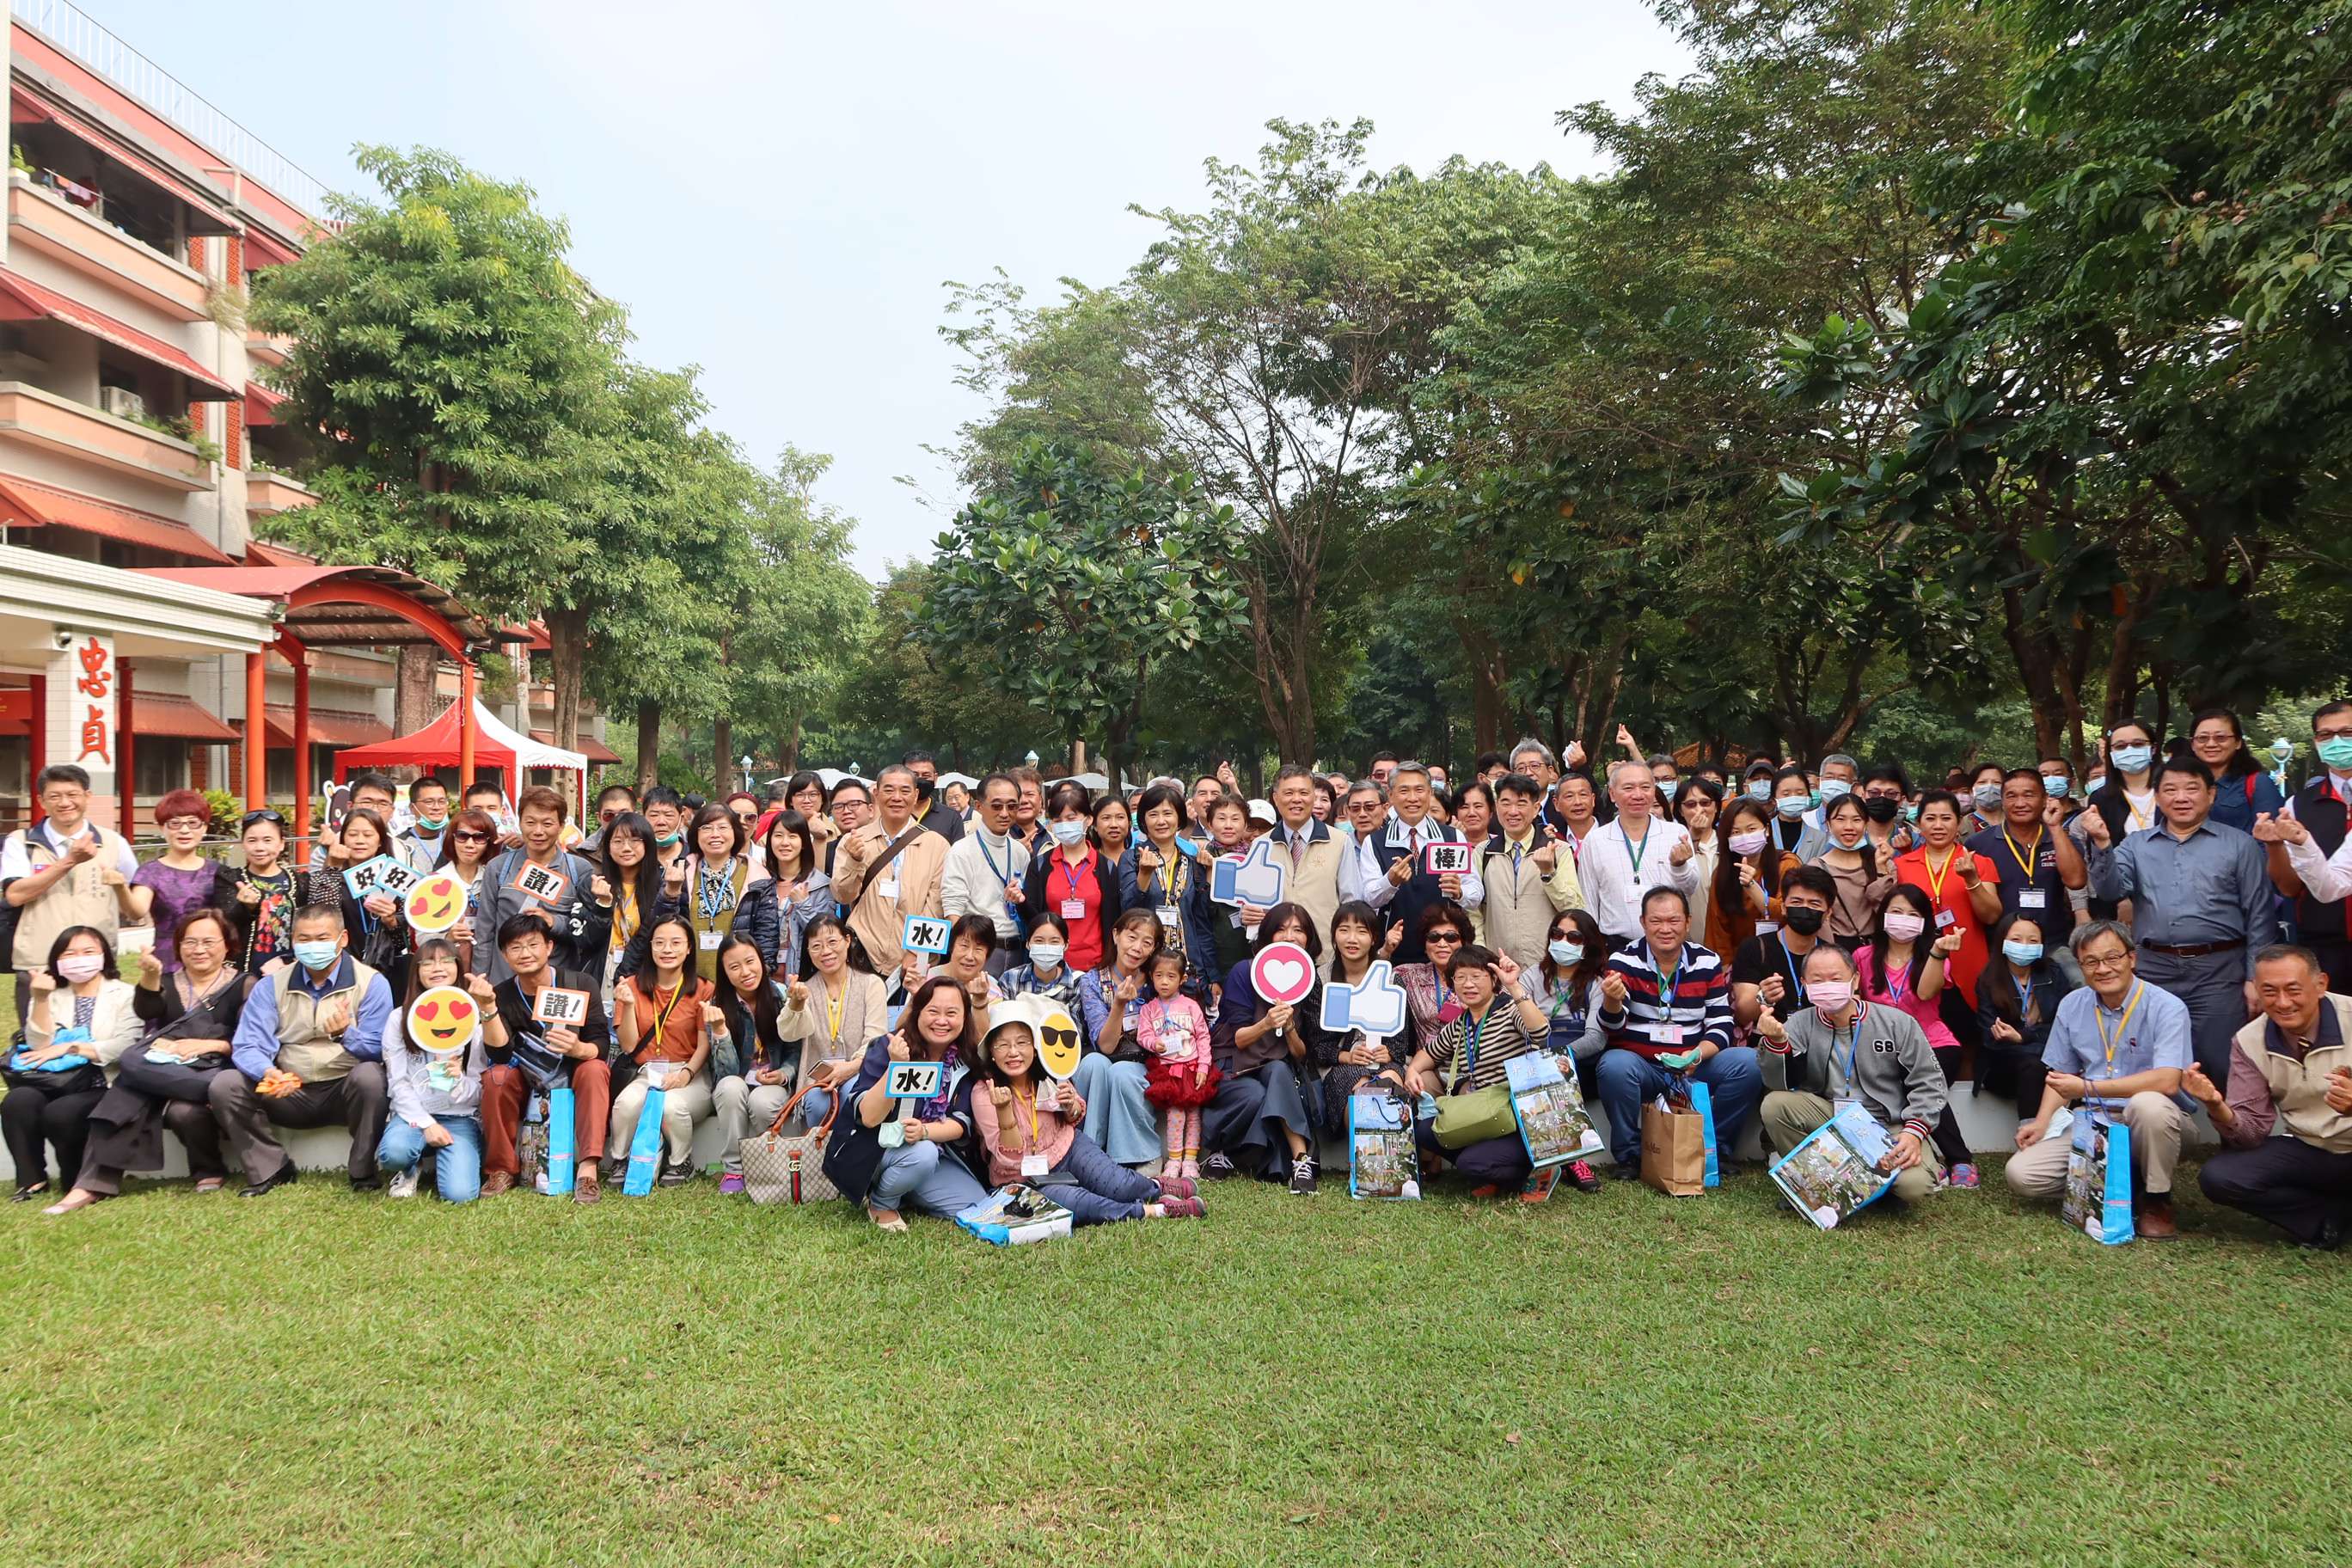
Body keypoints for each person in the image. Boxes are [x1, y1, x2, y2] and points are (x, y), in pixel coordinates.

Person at [42, 909, 253, 1213]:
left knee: (171, 1103)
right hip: (161, 1069)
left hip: (214, 1070)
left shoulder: (246, 983)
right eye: (190, 942)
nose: (199, 949)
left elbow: (250, 1040)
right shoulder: (167, 980)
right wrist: (151, 975)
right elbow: (147, 1009)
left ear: (227, 944)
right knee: (125, 1090)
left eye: (209, 941)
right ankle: (89, 1184)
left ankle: (208, 1169)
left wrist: (207, 1044)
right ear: (179, 946)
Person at [2082, 756, 2272, 1086]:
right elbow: (2111, 890)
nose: (2180, 797)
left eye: (2191, 789)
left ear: (2211, 795)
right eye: (2170, 789)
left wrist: (2255, 976)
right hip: (2155, 969)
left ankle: (2239, 1136)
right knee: (2150, 1060)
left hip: (2219, 971)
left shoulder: (2240, 845)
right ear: (2158, 797)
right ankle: (2159, 1133)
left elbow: (2260, 914)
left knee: (2224, 1060)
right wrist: (2102, 844)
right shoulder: (2137, 845)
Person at [2004, 919, 2191, 1239]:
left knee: (2148, 1106)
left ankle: (2157, 1200)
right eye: (2091, 961)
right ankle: (2121, 1185)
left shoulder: (2167, 1007)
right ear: (2081, 966)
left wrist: (2088, 1088)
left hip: (2156, 1123)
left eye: (2112, 958)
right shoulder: (2073, 1005)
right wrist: (2041, 1121)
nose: (2102, 969)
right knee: (2021, 1174)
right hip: (2096, 1125)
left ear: (2132, 958)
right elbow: (2060, 1076)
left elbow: (2168, 1081)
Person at [974, 993, 1201, 1222]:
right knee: (1079, 1202)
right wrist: (1004, 1110)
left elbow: (1075, 1115)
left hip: (1067, 1147)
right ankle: (1158, 1210)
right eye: (1003, 1045)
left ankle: (1156, 1187)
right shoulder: (985, 1092)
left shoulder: (1048, 1075)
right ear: (992, 1053)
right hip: (1023, 1178)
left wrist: (1070, 1105)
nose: (1013, 1052)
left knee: (1119, 1185)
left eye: (1021, 1042)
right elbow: (1010, 1159)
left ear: (1034, 1047)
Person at [217, 903, 395, 1196]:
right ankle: (270, 1168)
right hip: (288, 1090)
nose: (313, 946)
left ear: (343, 939)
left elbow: (380, 1048)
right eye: (304, 939)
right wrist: (268, 1072)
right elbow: (249, 1043)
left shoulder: (372, 983)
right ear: (293, 941)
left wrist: (345, 1034)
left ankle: (362, 1170)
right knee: (227, 1084)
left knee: (371, 1076)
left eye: (323, 938)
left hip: (344, 1090)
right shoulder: (271, 986)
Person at [1753, 942, 1948, 1206]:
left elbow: (1930, 1081)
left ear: (1855, 980)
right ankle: (1813, 1180)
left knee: (1913, 1187)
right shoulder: (1799, 1022)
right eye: (1817, 980)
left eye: (1836, 979)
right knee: (1776, 1104)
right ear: (1804, 984)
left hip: (1886, 1124)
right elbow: (1778, 1083)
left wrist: (1914, 1132)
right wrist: (1776, 1041)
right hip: (1830, 1116)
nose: (1827, 985)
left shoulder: (1896, 1022)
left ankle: (1867, 1186)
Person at [2189, 945, 2352, 1248]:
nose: (2283, 1002)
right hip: (2310, 1147)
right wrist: (2216, 1106)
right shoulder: (2249, 1040)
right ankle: (2324, 1217)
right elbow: (2251, 1134)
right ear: (2257, 993)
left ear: (2321, 985)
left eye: (2293, 990)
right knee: (2221, 1177)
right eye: (2270, 992)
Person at [1594, 887, 1760, 1178]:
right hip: (1643, 1067)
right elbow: (1611, 1028)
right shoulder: (1624, 961)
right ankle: (1630, 1155)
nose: (1665, 929)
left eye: (1673, 920)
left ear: (1687, 922)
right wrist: (1612, 1000)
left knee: (1748, 1062)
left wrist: (1697, 1054)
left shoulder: (1707, 962)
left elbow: (1722, 1025)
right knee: (1614, 1065)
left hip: (1693, 1064)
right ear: (1643, 922)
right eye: (1656, 921)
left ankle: (1714, 1149)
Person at [824, 974, 990, 1232]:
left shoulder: (964, 1060)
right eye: (933, 1011)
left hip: (930, 1150)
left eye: (952, 1013)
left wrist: (925, 1131)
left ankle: (906, 1187)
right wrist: (896, 1067)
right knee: (923, 1154)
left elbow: (960, 1122)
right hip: (875, 1148)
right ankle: (882, 1201)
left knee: (972, 1204)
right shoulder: (887, 1046)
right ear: (918, 1011)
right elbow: (868, 1117)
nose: (942, 1021)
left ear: (964, 1018)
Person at [1402, 941, 1557, 1199]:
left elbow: (1540, 1033)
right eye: (1460, 977)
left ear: (1493, 978)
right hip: (1481, 1115)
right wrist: (1412, 1071)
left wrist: (1515, 986)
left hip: (1514, 1118)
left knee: (1470, 1164)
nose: (1468, 984)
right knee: (1425, 1131)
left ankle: (1537, 1167)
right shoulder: (1460, 1023)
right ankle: (1490, 1168)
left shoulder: (1509, 1010)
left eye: (1476, 976)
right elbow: (1429, 1053)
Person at [482, 911, 615, 1203]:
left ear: (549, 947)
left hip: (573, 1072)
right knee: (496, 1077)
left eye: (533, 945)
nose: (525, 953)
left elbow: (600, 1044)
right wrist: (488, 1008)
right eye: (515, 948)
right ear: (504, 955)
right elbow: (499, 1053)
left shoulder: (580, 983)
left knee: (594, 1069)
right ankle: (501, 1170)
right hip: (527, 1078)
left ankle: (588, 1171)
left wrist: (578, 1049)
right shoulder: (501, 994)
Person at [3, 764, 139, 1034]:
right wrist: (69, 862)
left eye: (72, 794)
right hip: (38, 964)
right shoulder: (21, 842)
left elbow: (134, 907)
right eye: (54, 796)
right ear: (41, 801)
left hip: (97, 964)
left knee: (99, 1041)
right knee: (37, 1043)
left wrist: (121, 888)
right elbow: (15, 895)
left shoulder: (114, 843)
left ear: (87, 796)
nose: (65, 803)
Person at [4, 925, 138, 1201]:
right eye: (69, 953)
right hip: (53, 1080)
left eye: (88, 951)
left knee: (61, 1112)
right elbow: (39, 1045)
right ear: (57, 961)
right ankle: (31, 1180)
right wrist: (40, 998)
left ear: (104, 956)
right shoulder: (51, 995)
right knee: (19, 1101)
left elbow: (125, 1044)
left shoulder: (125, 994)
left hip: (102, 1080)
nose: (79, 958)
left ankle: (75, 1177)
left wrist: (71, 1047)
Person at [1854, 885, 1976, 1184]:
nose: (1903, 918)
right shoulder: (1862, 956)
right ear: (1882, 915)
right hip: (1881, 1047)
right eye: (1896, 912)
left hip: (1933, 1043)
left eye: (1912, 914)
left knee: (1919, 1085)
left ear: (1924, 922)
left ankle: (1961, 1161)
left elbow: (1925, 993)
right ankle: (1937, 1156)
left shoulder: (1936, 957)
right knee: (1908, 1083)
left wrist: (1936, 953)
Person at [1204, 903, 1326, 1192]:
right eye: (1282, 929)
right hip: (1236, 1069)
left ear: (1309, 938)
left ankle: (1300, 1160)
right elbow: (1239, 1039)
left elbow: (1300, 1054)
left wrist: (1291, 1027)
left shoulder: (1309, 980)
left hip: (1277, 1070)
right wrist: (1267, 1023)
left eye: (1298, 930)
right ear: (1268, 935)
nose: (1290, 936)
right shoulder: (1245, 972)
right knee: (1256, 1094)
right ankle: (1227, 1152)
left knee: (1278, 1070)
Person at [376, 940, 499, 1203]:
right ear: (416, 971)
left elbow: (480, 1089)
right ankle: (409, 1167)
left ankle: (448, 1158)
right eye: (428, 962)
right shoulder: (399, 1019)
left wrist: (458, 1082)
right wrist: (427, 1124)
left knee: (461, 1195)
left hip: (460, 1117)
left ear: (457, 967)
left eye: (446, 961)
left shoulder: (473, 1018)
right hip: (412, 1116)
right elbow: (397, 1083)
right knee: (394, 1153)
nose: (437, 968)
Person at [604, 914, 719, 1187]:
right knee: (625, 1104)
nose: (667, 950)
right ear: (650, 947)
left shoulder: (703, 989)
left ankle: (681, 1163)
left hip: (690, 1072)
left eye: (676, 943)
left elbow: (705, 1044)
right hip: (647, 1072)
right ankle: (621, 1159)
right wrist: (629, 1005)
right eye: (660, 943)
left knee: (672, 1104)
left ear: (689, 948)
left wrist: (686, 1075)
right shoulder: (630, 986)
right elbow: (630, 1046)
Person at [832, 763, 949, 991]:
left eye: (905, 791)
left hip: (914, 965)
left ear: (916, 795)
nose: (897, 797)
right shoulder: (854, 840)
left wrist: (915, 952)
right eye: (889, 790)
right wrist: (855, 861)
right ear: (875, 794)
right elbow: (842, 895)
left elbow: (936, 906)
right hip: (864, 954)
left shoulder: (937, 845)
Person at [474, 787, 609, 983]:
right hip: (506, 982)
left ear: (562, 826)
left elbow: (586, 931)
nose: (538, 831)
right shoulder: (499, 868)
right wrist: (481, 980)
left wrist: (554, 922)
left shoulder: (579, 869)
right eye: (530, 823)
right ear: (519, 823)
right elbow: (484, 932)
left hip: (558, 984)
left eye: (547, 824)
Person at [1071, 907, 1173, 1169]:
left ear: (1154, 949)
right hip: (1103, 1057)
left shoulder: (1157, 983)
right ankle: (1088, 1152)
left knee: (1123, 1073)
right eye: (1132, 937)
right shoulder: (1091, 981)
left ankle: (1142, 1154)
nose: (1137, 948)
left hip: (1144, 1062)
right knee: (1095, 1064)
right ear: (1116, 935)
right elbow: (1104, 1045)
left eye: (1147, 942)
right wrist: (1118, 1005)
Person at [1892, 790, 2002, 1021]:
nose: (1938, 825)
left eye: (1946, 818)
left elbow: (1991, 916)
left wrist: (1972, 880)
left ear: (1959, 822)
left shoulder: (1979, 863)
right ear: (1918, 823)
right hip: (1918, 960)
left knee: (1969, 1033)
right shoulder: (1902, 864)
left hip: (1968, 959)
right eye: (1930, 818)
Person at [2267, 701, 2352, 991]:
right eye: (2326, 735)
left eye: (2347, 732)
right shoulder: (2298, 806)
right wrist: (2278, 844)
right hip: (2325, 943)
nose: (2337, 742)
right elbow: (2293, 887)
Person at [778, 914, 889, 1128]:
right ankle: (819, 1158)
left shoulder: (871, 984)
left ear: (847, 941)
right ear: (808, 952)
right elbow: (789, 1033)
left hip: (861, 1071)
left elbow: (875, 1039)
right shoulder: (805, 989)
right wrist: (796, 1004)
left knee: (852, 1093)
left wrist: (852, 1067)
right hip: (818, 1078)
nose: (826, 952)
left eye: (832, 942)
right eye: (816, 946)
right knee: (819, 1102)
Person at [1581, 761, 1702, 948]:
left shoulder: (1675, 833)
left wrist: (1680, 866)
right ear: (1612, 794)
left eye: (1645, 787)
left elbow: (1690, 888)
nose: (1638, 795)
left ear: (1654, 790)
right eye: (1628, 788)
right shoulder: (1596, 840)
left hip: (1668, 943)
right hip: (1615, 946)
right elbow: (1588, 900)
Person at [1473, 773, 1584, 973]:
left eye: (1521, 803)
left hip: (1546, 966)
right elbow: (1475, 911)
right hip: (1498, 966)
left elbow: (1574, 909)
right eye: (1506, 803)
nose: (1513, 811)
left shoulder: (1558, 850)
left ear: (1535, 809)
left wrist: (1549, 873)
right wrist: (1482, 953)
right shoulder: (1483, 852)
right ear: (1497, 806)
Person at [1974, 910, 2075, 1131]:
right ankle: (2030, 1134)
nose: (2025, 945)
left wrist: (2022, 1037)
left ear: (2042, 944)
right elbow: (1990, 1039)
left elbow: (2066, 1028)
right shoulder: (1988, 979)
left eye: (2033, 940)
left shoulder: (2053, 973)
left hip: (2050, 1061)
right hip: (2004, 1069)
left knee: (2048, 1064)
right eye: (2016, 939)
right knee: (2033, 1065)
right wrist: (2026, 1042)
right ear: (2002, 941)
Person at [708, 934, 794, 1196]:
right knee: (731, 1089)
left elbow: (795, 1051)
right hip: (739, 1078)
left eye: (750, 961)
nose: (745, 972)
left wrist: (784, 1074)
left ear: (761, 959)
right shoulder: (718, 1005)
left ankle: (766, 1162)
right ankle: (734, 1168)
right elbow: (725, 1074)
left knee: (762, 1102)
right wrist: (720, 1031)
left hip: (773, 1077)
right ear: (724, 972)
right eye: (734, 967)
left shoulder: (780, 995)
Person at [1967, 769, 2086, 952]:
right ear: (2003, 801)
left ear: (2045, 798)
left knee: (2076, 980)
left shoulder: (2063, 840)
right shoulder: (1979, 843)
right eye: (2011, 796)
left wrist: (2054, 827)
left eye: (2029, 795)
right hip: (1998, 947)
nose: (2020, 803)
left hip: (2052, 944)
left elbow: (2076, 881)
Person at [1315, 900, 1411, 1129]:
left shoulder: (1391, 979)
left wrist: (1388, 1052)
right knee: (1362, 1088)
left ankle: (1395, 1159)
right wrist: (1346, 1055)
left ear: (1374, 938)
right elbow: (1317, 1045)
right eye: (1344, 930)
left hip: (1383, 1061)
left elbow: (1401, 1040)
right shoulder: (1322, 979)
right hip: (1339, 1064)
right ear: (1334, 936)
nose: (1352, 939)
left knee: (1390, 1081)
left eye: (1361, 931)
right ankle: (1362, 1159)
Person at [126, 789, 236, 974]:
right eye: (175, 824)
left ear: (205, 827)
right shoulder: (150, 872)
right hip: (167, 960)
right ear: (162, 828)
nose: (184, 830)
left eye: (193, 823)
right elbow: (137, 911)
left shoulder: (219, 872)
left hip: (209, 959)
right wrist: (120, 887)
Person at [1121, 781, 1216, 993]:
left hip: (1188, 971)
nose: (1161, 821)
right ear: (1143, 820)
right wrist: (1144, 876)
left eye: (1168, 813)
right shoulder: (1132, 858)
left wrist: (1211, 974)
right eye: (1153, 814)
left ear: (1179, 818)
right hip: (1145, 969)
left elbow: (1202, 919)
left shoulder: (1193, 861)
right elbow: (1128, 910)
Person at [1022, 781, 1119, 978]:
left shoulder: (1106, 867)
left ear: (1088, 820)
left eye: (1071, 818)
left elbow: (1114, 919)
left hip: (1096, 968)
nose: (1065, 825)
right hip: (1052, 967)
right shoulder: (1040, 865)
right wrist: (1020, 902)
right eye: (1057, 820)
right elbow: (1033, 919)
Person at [1136, 947, 1218, 1181]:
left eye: (1171, 977)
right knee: (1175, 1114)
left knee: (1194, 1114)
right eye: (1159, 975)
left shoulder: (1191, 1006)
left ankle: (1191, 1159)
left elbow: (1203, 1036)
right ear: (1151, 976)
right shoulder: (1149, 1009)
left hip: (1192, 1068)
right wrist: (1154, 1043)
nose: (1164, 982)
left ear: (1182, 979)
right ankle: (1174, 1159)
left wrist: (1204, 1066)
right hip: (1169, 1072)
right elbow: (1143, 1035)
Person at [1730, 865, 1838, 1033]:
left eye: (1814, 904)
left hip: (1820, 1041)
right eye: (1796, 902)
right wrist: (1763, 997)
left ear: (1828, 913)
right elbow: (1742, 1014)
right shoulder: (1755, 948)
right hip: (1767, 1041)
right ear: (1783, 907)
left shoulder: (1834, 957)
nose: (1805, 908)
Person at [941, 773, 1030, 972]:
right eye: (997, 806)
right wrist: (965, 954)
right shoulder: (961, 850)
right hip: (980, 951)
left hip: (1017, 950)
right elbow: (953, 906)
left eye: (1012, 806)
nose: (1005, 813)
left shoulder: (1020, 852)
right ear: (979, 807)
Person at [2074, 721, 2160, 916]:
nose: (2129, 750)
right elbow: (2100, 857)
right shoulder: (2101, 799)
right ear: (2111, 753)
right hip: (2121, 899)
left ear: (2153, 749)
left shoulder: (2171, 791)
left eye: (2138, 744)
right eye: (2121, 746)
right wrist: (2123, 899)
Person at [736, 810, 832, 978]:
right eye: (778, 835)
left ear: (803, 842)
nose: (785, 842)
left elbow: (824, 936)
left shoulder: (819, 885)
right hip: (760, 976)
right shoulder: (758, 881)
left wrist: (803, 904)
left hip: (802, 975)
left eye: (793, 836)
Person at [1265, 763, 1347, 950]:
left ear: (1313, 797)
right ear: (1276, 799)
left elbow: (1350, 903)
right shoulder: (1262, 845)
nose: (1297, 800)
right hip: (1274, 955)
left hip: (1326, 955)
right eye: (1288, 793)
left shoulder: (1339, 842)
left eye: (1304, 793)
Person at [327, 807, 413, 978]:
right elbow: (321, 913)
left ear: (381, 840)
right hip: (339, 968)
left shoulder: (395, 878)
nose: (360, 841)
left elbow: (402, 943)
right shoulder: (332, 877)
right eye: (352, 834)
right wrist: (333, 868)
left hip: (384, 970)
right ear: (342, 838)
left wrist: (391, 921)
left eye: (368, 835)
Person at [224, 810, 305, 974]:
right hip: (244, 975)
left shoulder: (299, 881)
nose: (259, 848)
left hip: (288, 971)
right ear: (243, 844)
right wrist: (246, 908)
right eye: (252, 840)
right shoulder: (230, 879)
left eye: (268, 840)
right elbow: (223, 926)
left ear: (282, 843)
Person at [1816, 794, 1898, 944]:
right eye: (1840, 819)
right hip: (1833, 949)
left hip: (1875, 949)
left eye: (1857, 819)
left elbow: (1889, 912)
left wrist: (1880, 869)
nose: (1849, 827)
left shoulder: (1885, 864)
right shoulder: (1816, 868)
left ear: (1866, 824)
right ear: (1828, 824)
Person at [1706, 797, 1781, 959]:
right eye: (1735, 832)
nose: (1745, 837)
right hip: (1741, 960)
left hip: (1782, 955)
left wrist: (1752, 886)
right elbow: (1718, 929)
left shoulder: (1786, 864)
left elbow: (1786, 913)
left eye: (1752, 829)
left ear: (1767, 829)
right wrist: (1725, 967)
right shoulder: (1722, 874)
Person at [2190, 708, 2286, 833]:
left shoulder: (2258, 783)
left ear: (2238, 742)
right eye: (2203, 738)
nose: (2211, 744)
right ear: (2192, 744)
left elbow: (2270, 840)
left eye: (2220, 737)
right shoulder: (2178, 784)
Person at [1395, 903, 1472, 1059]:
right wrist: (1386, 950)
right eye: (1434, 937)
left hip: (1469, 1063)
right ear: (1425, 945)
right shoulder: (1410, 975)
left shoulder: (1479, 975)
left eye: (1451, 937)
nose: (1442, 944)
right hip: (1426, 1063)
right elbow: (1375, 978)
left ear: (1463, 943)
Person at [431, 806, 501, 974]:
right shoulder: (434, 881)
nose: (470, 844)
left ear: (489, 842)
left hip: (492, 964)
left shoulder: (497, 879)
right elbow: (421, 936)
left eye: (479, 838)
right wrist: (447, 937)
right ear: (452, 839)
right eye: (463, 836)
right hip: (447, 965)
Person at [1674, 778, 1724, 943]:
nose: (1699, 810)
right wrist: (1693, 839)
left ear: (1716, 806)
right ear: (1680, 810)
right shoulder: (1673, 846)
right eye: (1691, 804)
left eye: (1705, 803)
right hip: (1687, 941)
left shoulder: (1730, 845)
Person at [903, 749, 965, 844]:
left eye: (926, 775)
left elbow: (958, 855)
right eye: (914, 775)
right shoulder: (893, 813)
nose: (920, 779)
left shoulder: (951, 817)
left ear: (935, 779)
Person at [1768, 766, 1827, 862]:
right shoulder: (1762, 833)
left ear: (1808, 796)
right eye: (1786, 794)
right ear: (1774, 800)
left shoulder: (1820, 838)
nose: (1794, 798)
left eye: (1800, 793)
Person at [398, 777, 453, 867]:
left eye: (442, 802)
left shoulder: (457, 839)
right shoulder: (400, 844)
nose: (437, 807)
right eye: (429, 802)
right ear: (412, 808)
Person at [1963, 762, 2008, 838]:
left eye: (1997, 782)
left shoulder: (2017, 821)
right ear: (1971, 790)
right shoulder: (1961, 826)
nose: (1989, 787)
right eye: (1982, 782)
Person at [1450, 779, 1496, 848]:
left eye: (1478, 806)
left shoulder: (1503, 843)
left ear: (1491, 812)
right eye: (1465, 807)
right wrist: (1454, 840)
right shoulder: (1445, 844)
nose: (1471, 813)